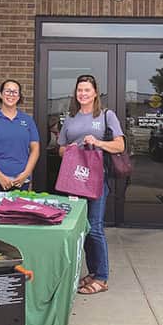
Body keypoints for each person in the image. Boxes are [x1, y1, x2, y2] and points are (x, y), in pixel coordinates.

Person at [57, 74, 125, 295]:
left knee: (95, 227)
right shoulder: (70, 119)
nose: (83, 94)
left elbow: (120, 146)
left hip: (97, 178)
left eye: (87, 90)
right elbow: (60, 148)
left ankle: (102, 277)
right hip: (75, 180)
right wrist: (67, 150)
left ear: (95, 92)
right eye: (79, 90)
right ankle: (93, 272)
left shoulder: (106, 115)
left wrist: (97, 142)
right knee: (82, 228)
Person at [0, 79, 40, 218]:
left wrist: (26, 174)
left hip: (20, 180)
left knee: (17, 222)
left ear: (19, 96)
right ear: (0, 94)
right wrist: (0, 176)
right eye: (7, 91)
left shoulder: (27, 121)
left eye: (15, 92)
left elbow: (35, 149)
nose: (11, 94)